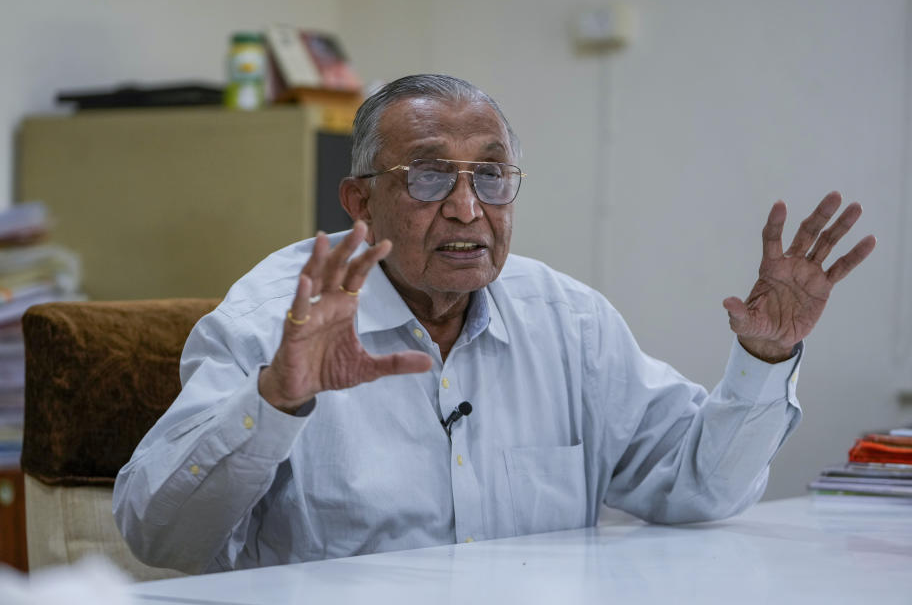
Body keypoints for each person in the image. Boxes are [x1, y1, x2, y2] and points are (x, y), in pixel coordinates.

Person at [112, 74, 876, 574]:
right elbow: (159, 537)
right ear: (358, 202)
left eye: (493, 177)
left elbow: (703, 488)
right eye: (431, 175)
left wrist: (762, 359)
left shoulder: (567, 321)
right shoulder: (273, 319)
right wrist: (276, 398)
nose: (468, 209)